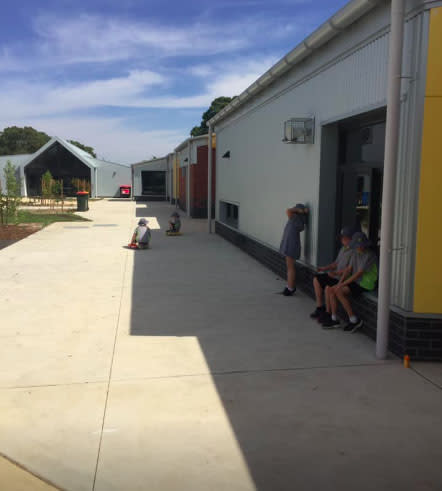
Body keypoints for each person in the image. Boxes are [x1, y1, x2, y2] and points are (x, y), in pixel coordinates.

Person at [323, 232, 378, 331]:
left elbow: (359, 273)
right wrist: (340, 283)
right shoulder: (355, 253)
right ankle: (334, 318)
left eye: (361, 245)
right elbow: (348, 269)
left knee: (338, 291)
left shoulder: (370, 255)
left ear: (365, 244)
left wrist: (342, 284)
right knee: (331, 289)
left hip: (366, 284)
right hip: (357, 281)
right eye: (357, 245)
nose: (359, 247)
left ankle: (354, 320)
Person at [310, 226, 354, 320]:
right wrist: (324, 268)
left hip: (342, 278)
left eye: (344, 238)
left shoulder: (354, 252)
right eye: (342, 238)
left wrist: (336, 273)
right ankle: (320, 307)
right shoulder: (343, 249)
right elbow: (335, 263)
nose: (342, 240)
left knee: (328, 287)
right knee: (316, 279)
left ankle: (329, 313)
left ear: (351, 239)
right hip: (335, 275)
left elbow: (350, 270)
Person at [279, 203, 308, 296]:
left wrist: (299, 210)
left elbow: (288, 210)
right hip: (292, 245)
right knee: (290, 267)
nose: (293, 209)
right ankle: (290, 286)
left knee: (290, 268)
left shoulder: (295, 219)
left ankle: (290, 288)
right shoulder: (297, 220)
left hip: (291, 246)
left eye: (296, 209)